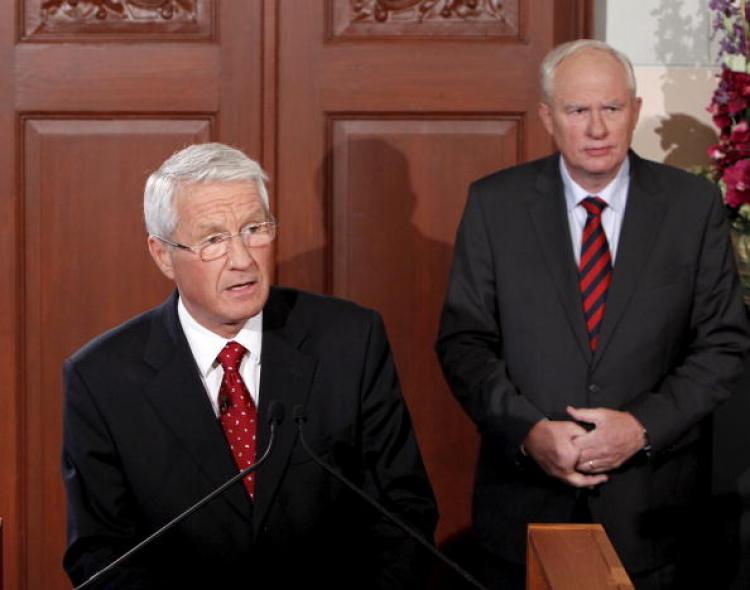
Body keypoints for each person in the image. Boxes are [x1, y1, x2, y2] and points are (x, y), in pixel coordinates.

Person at [436, 39, 750, 589]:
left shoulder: (690, 206)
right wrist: (529, 430)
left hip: (655, 515)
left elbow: (722, 344)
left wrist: (641, 428)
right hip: (524, 507)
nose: (597, 128)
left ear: (634, 109)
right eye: (578, 110)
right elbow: (464, 341)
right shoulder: (495, 204)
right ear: (548, 118)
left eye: (611, 108)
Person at [62, 142, 437, 589]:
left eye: (255, 229)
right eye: (214, 239)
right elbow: (100, 554)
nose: (243, 259)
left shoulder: (350, 340)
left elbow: (403, 512)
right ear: (162, 254)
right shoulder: (103, 378)